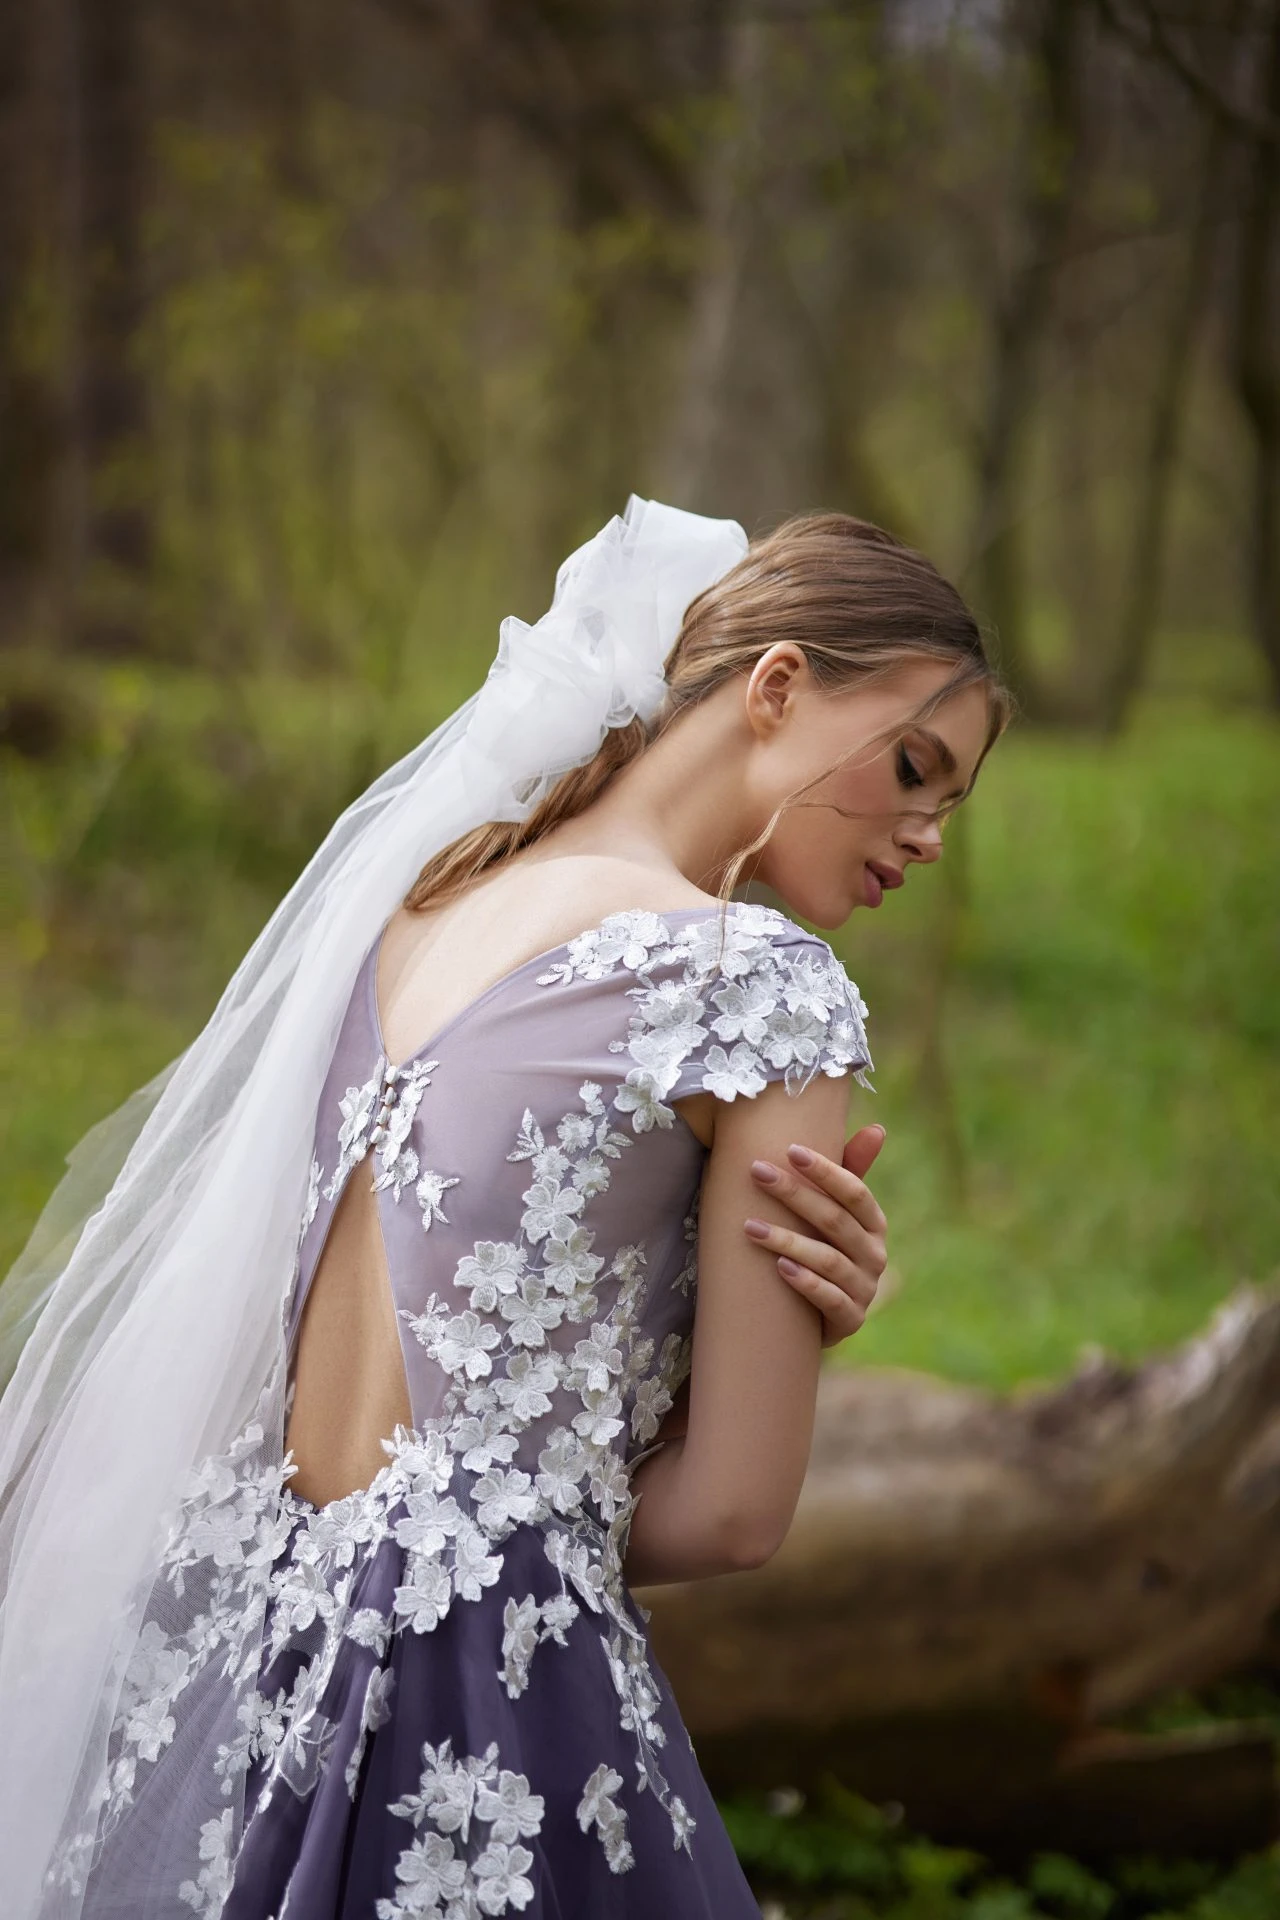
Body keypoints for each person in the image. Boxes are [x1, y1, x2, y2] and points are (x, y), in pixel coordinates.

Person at [0, 497, 1008, 1918]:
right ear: (778, 685)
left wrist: (664, 1361)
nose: (928, 836)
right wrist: (767, 1355)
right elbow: (731, 1516)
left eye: (948, 805)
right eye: (914, 767)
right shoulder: (760, 990)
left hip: (250, 1674)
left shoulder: (416, 911)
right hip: (489, 1715)